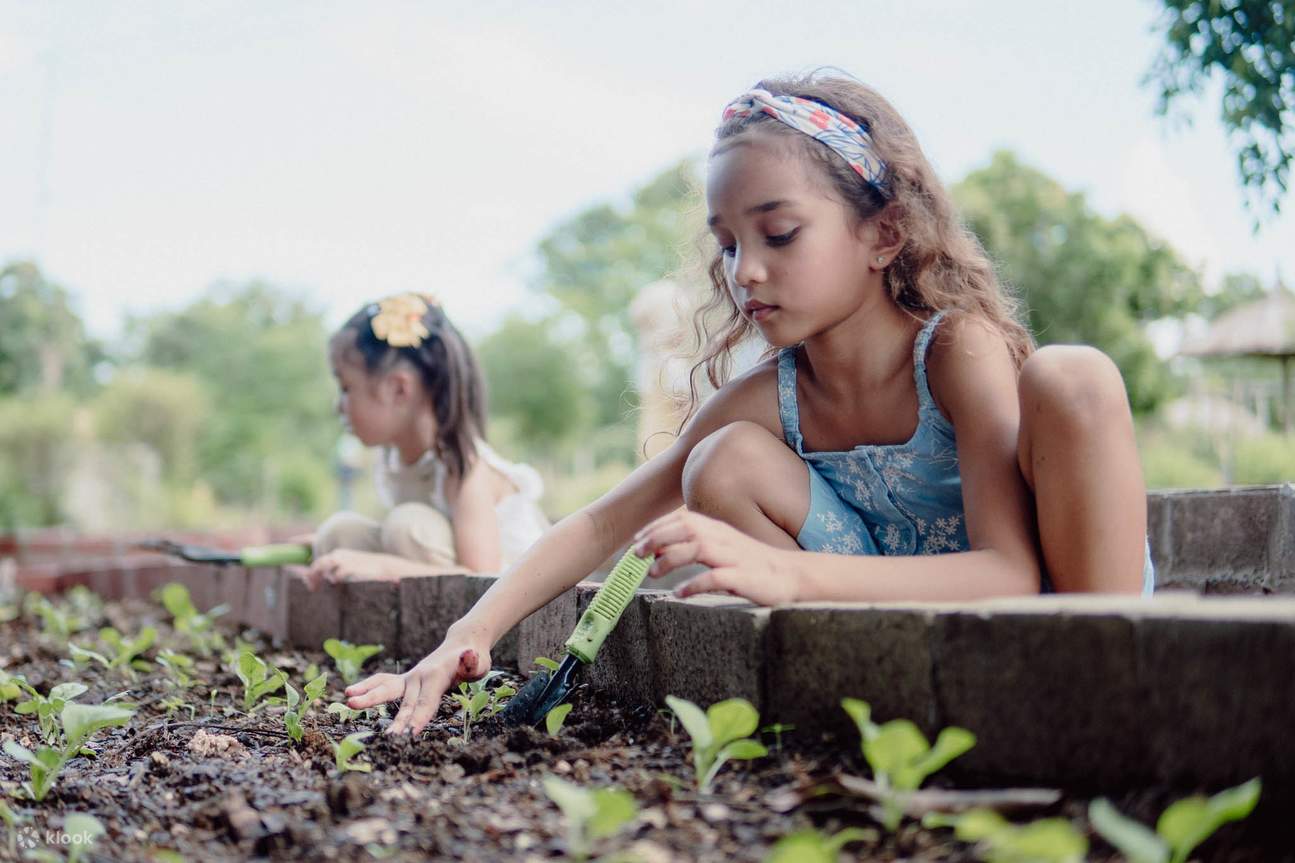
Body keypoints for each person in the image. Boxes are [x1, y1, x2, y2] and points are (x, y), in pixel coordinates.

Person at [346, 73, 1155, 735]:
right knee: (718, 460)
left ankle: (1112, 711)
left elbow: (1012, 575)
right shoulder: (770, 396)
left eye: (779, 234)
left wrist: (781, 571)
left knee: (1072, 374)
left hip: (1063, 611)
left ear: (883, 234)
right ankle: (872, 712)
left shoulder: (954, 351)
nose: (744, 272)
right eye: (729, 244)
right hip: (903, 626)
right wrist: (465, 635)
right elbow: (601, 523)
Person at [303, 292, 549, 586]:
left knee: (408, 526)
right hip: (445, 577)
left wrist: (383, 566)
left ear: (398, 389)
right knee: (338, 535)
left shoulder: (464, 467)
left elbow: (484, 577)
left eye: (346, 388)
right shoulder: (393, 457)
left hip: (517, 603)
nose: (338, 405)